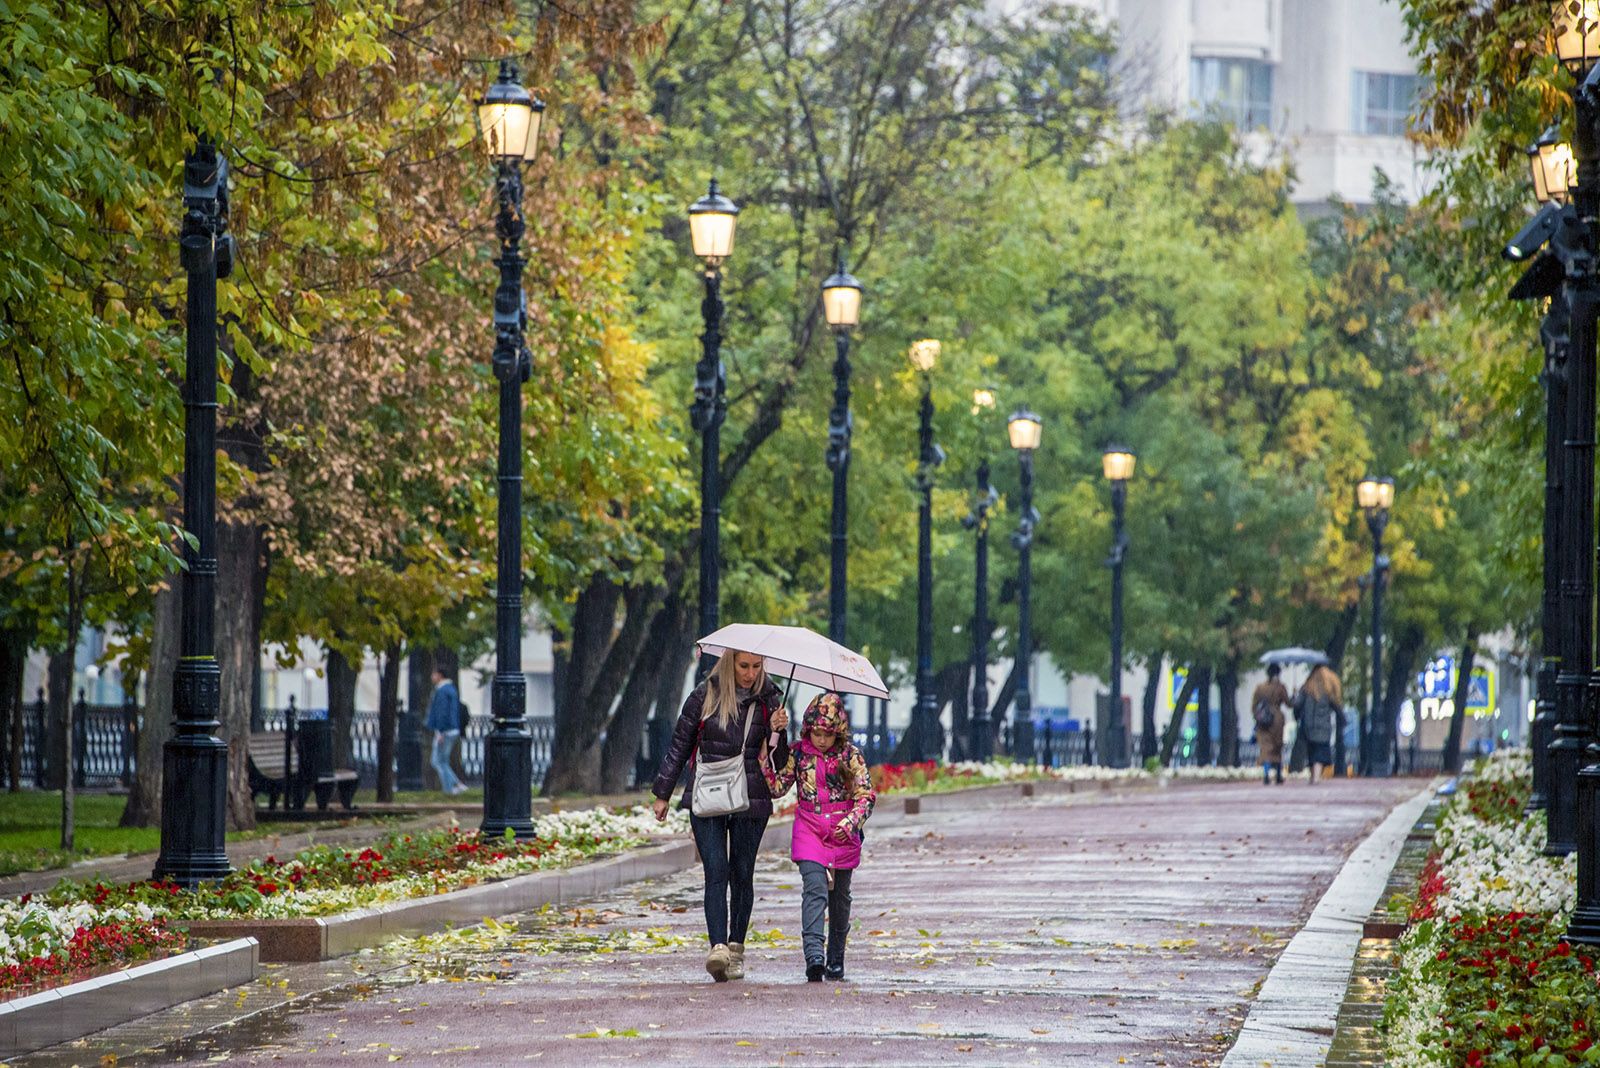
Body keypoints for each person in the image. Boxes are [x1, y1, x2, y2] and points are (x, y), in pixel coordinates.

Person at [651, 651, 789, 982]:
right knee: (716, 871)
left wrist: (777, 732)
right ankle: (718, 948)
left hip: (750, 795)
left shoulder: (772, 699)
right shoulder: (704, 695)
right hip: (708, 792)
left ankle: (736, 948)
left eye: (757, 666)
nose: (750, 673)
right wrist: (662, 793)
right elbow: (679, 745)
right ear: (729, 664)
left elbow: (781, 760)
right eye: (744, 666)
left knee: (742, 873)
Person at [764, 692, 875, 982]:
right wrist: (771, 743)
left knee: (840, 898)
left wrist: (852, 821)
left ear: (837, 731)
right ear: (807, 729)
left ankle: (836, 956)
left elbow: (865, 795)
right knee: (814, 887)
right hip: (809, 827)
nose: (821, 740)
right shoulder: (799, 753)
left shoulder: (851, 756)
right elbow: (777, 787)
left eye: (827, 734)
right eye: (816, 733)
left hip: (842, 830)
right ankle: (814, 953)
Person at [1294, 664, 1341, 784]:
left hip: (1308, 726)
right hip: (1323, 726)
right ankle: (1316, 777)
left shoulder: (1306, 688)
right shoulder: (1328, 689)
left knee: (1312, 751)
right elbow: (1336, 706)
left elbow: (1298, 705)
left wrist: (1297, 716)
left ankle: (1313, 776)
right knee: (1320, 752)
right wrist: (1342, 719)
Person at [425, 666, 468, 796]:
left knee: (438, 760)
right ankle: (455, 785)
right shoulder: (451, 689)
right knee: (441, 760)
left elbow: (442, 712)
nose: (432, 677)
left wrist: (440, 731)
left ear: (439, 675)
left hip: (445, 731)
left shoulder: (442, 691)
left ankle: (451, 788)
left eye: (434, 674)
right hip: (452, 729)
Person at [1251, 665, 1290, 785]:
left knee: (1265, 748)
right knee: (1277, 748)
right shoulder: (1281, 688)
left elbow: (1253, 706)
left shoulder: (1260, 688)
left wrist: (1258, 716)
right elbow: (1288, 703)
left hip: (1263, 720)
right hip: (1277, 720)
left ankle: (1266, 774)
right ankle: (1278, 775)